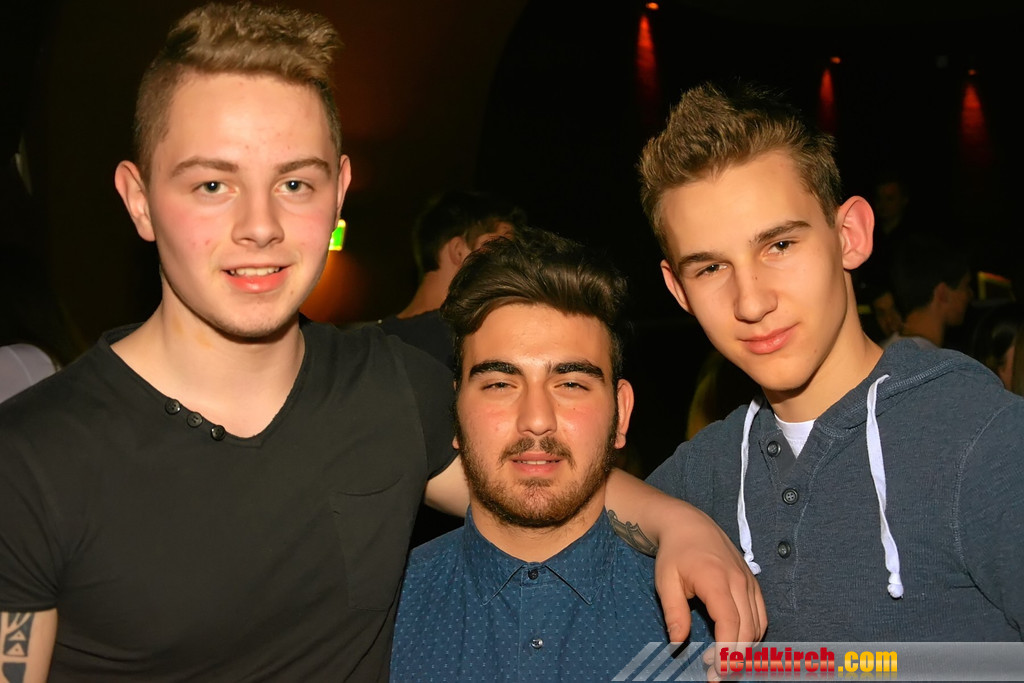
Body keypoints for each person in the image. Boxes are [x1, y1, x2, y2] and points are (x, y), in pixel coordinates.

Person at [0, 6, 764, 680]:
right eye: (212, 185)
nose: (260, 225)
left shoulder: (392, 390)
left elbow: (533, 475)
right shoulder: (33, 461)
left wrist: (683, 525)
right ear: (138, 199)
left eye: (294, 184)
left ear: (338, 191)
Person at [637, 80, 1024, 641]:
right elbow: (537, 504)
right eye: (711, 268)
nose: (751, 303)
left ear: (850, 236)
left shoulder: (982, 440)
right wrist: (669, 519)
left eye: (779, 246)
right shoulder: (705, 470)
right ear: (679, 291)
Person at [392, 230, 711, 682]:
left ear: (621, 414)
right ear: (456, 415)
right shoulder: (378, 619)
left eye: (571, 384)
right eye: (500, 384)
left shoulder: (714, 624)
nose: (537, 419)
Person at [378, 189, 526, 370]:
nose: (512, 262)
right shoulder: (471, 340)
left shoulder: (373, 340)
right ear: (458, 250)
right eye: (500, 248)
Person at [886, 233, 974, 349]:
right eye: (965, 286)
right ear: (943, 293)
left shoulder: (881, 351)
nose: (970, 294)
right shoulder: (933, 358)